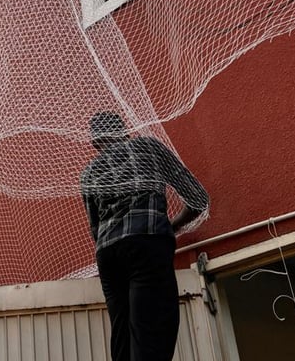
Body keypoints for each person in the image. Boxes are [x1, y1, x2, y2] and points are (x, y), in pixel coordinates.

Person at [80, 112, 209, 361]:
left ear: (95, 142)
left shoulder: (88, 174)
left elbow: (95, 231)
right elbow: (197, 198)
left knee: (122, 331)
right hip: (146, 241)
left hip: (109, 255)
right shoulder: (148, 147)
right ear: (124, 131)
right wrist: (173, 225)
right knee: (153, 328)